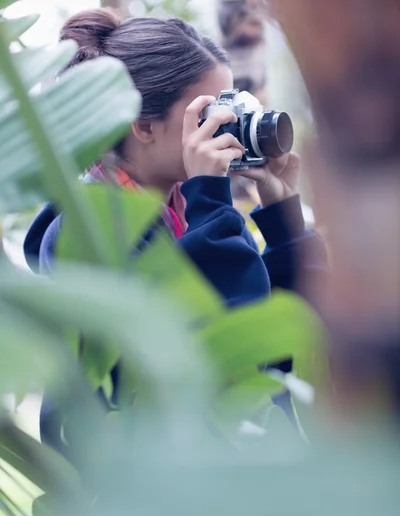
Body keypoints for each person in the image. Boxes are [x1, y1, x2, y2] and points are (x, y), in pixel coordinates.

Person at [24, 9, 327, 452]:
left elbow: (282, 349)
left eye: (230, 107)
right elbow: (218, 362)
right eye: (209, 114)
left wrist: (283, 221)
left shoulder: (195, 213)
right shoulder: (85, 235)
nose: (229, 129)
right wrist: (211, 197)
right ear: (144, 126)